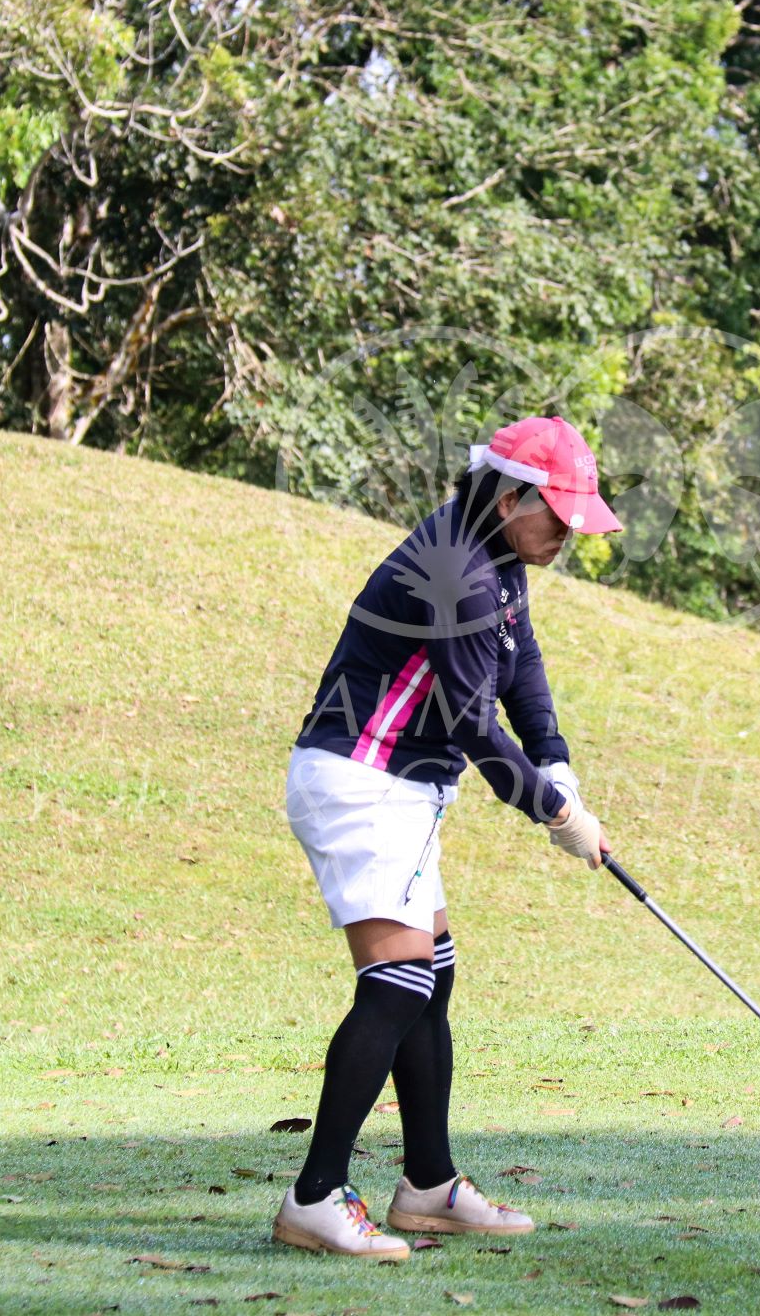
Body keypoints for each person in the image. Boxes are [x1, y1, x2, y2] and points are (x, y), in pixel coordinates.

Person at [273, 416, 621, 1259]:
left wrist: (557, 763)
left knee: (431, 974)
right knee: (396, 985)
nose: (571, 535)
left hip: (404, 788)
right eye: (561, 517)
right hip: (362, 781)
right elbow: (472, 724)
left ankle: (428, 1184)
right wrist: (557, 814)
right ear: (510, 499)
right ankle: (314, 1196)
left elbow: (522, 665)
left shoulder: (497, 555)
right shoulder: (453, 572)